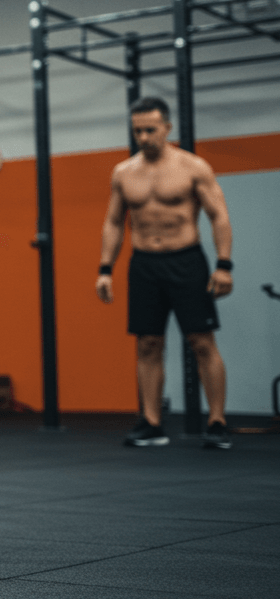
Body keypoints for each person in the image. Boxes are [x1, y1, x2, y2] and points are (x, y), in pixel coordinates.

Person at [96, 97, 233, 449]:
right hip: (144, 264)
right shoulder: (123, 172)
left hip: (186, 260)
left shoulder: (193, 167)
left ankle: (216, 421)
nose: (143, 137)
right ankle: (152, 422)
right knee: (148, 343)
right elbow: (114, 222)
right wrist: (105, 269)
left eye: (150, 130)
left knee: (202, 342)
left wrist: (223, 264)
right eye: (137, 130)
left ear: (167, 128)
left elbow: (219, 215)